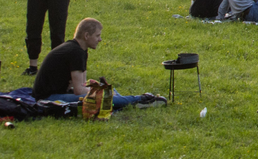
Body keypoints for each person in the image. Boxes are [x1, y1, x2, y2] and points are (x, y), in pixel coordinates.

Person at [32, 18, 168, 108]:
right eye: (97, 36)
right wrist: (100, 91)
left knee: (108, 92)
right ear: (86, 36)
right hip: (48, 98)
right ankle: (138, 100)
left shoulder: (79, 49)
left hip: (58, 92)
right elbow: (79, 90)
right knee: (104, 97)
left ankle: (123, 101)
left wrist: (98, 88)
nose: (100, 39)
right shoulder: (75, 52)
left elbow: (81, 84)